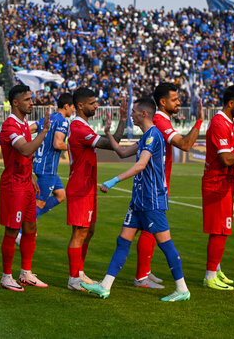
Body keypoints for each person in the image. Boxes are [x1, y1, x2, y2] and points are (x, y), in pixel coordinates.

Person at [81, 98, 191, 302]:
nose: (131, 115)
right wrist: (108, 133)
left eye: (134, 112)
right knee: (123, 240)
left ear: (144, 114)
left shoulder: (154, 135)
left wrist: (114, 180)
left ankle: (182, 289)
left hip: (152, 200)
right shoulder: (146, 137)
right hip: (139, 200)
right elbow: (122, 153)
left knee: (165, 244)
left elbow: (141, 164)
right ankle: (105, 286)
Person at [131, 83, 204, 289]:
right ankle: (141, 276)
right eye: (175, 99)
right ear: (163, 102)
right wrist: (199, 120)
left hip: (156, 184)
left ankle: (143, 271)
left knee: (144, 229)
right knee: (149, 229)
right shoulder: (160, 121)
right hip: (154, 185)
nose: (179, 102)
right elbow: (185, 145)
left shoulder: (162, 121)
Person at [66, 87, 127, 291]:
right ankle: (73, 279)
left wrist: (122, 120)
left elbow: (113, 142)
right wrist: (118, 125)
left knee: (89, 231)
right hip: (80, 188)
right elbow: (111, 144)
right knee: (80, 232)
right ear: (80, 105)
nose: (96, 106)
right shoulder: (79, 128)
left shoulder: (84, 127)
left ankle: (79, 272)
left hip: (88, 186)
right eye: (92, 103)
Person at [0, 85, 50, 291]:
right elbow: (26, 150)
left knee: (30, 229)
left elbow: (25, 158)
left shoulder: (24, 124)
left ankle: (26, 273)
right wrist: (44, 131)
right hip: (13, 185)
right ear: (15, 103)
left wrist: (31, 177)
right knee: (12, 231)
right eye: (27, 99)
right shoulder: (9, 126)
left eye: (31, 99)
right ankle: (6, 276)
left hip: (26, 183)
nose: (31, 103)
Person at [201, 85, 234, 290]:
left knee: (222, 229)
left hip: (226, 182)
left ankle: (216, 270)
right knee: (220, 231)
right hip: (216, 184)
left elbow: (232, 154)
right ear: (231, 104)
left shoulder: (232, 122)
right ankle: (210, 276)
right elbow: (226, 159)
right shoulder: (219, 124)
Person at [15, 93, 73, 246]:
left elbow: (30, 129)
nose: (73, 110)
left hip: (41, 164)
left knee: (61, 195)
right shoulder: (63, 121)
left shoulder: (48, 118)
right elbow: (58, 143)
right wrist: (74, 147)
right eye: (73, 107)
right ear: (66, 106)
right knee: (39, 203)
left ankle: (30, 220)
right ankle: (21, 231)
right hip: (48, 168)